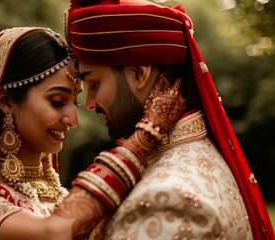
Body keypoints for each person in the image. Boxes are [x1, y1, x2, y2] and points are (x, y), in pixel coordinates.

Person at [0, 27, 185, 240]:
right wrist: (147, 133)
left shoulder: (58, 192)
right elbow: (56, 233)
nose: (73, 120)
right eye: (56, 101)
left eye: (74, 103)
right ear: (6, 101)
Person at [65, 0, 275, 239]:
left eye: (94, 84)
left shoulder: (165, 200)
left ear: (138, 73)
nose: (90, 102)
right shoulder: (200, 151)